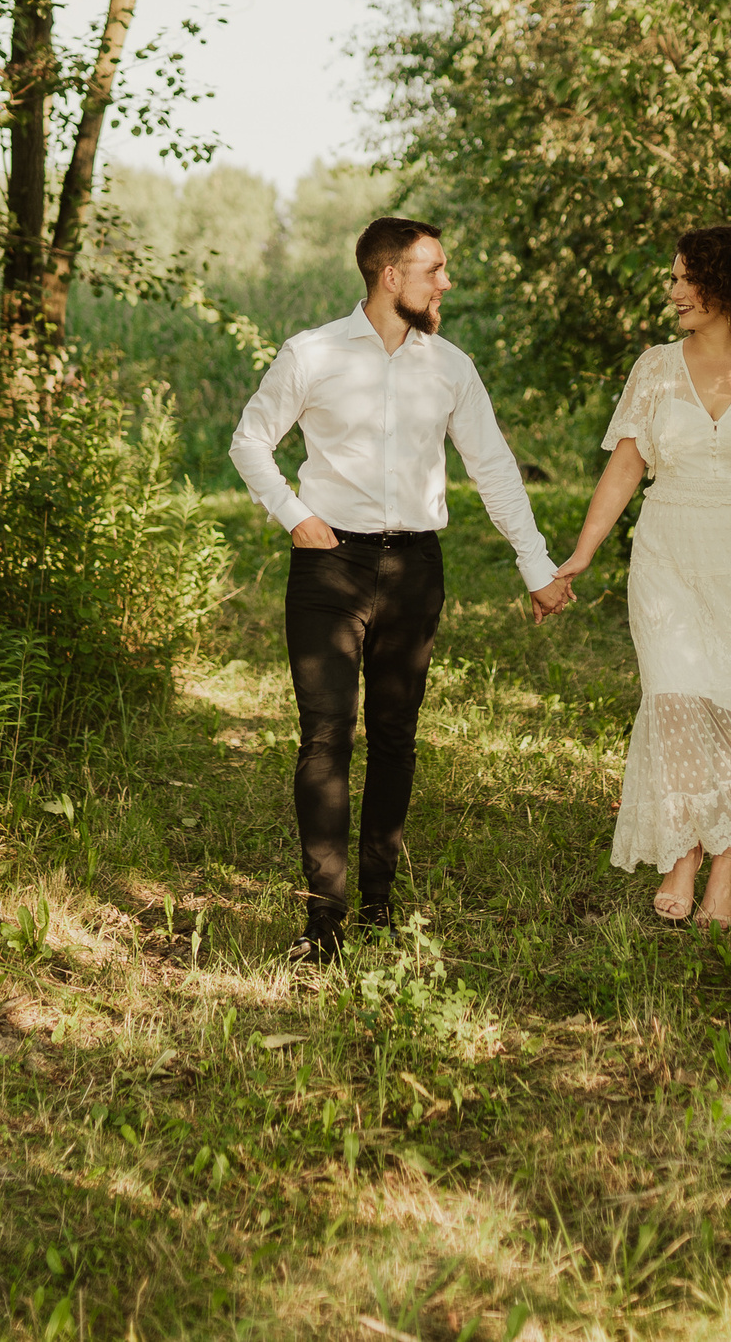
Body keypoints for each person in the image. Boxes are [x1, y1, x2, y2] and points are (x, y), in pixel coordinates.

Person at [230, 217, 576, 963]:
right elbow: (250, 439)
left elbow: (494, 470)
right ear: (392, 276)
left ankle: (380, 908)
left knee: (394, 735)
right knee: (325, 735)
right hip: (329, 568)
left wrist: (537, 569)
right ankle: (323, 921)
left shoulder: (449, 366)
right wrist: (294, 513)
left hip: (415, 570)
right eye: (434, 269)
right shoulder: (312, 353)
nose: (445, 282)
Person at [549, 226, 731, 929]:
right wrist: (582, 552)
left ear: (727, 284)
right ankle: (683, 850)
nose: (674, 291)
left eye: (686, 279)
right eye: (673, 279)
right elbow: (624, 466)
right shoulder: (654, 368)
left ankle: (727, 863)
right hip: (669, 557)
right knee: (676, 699)